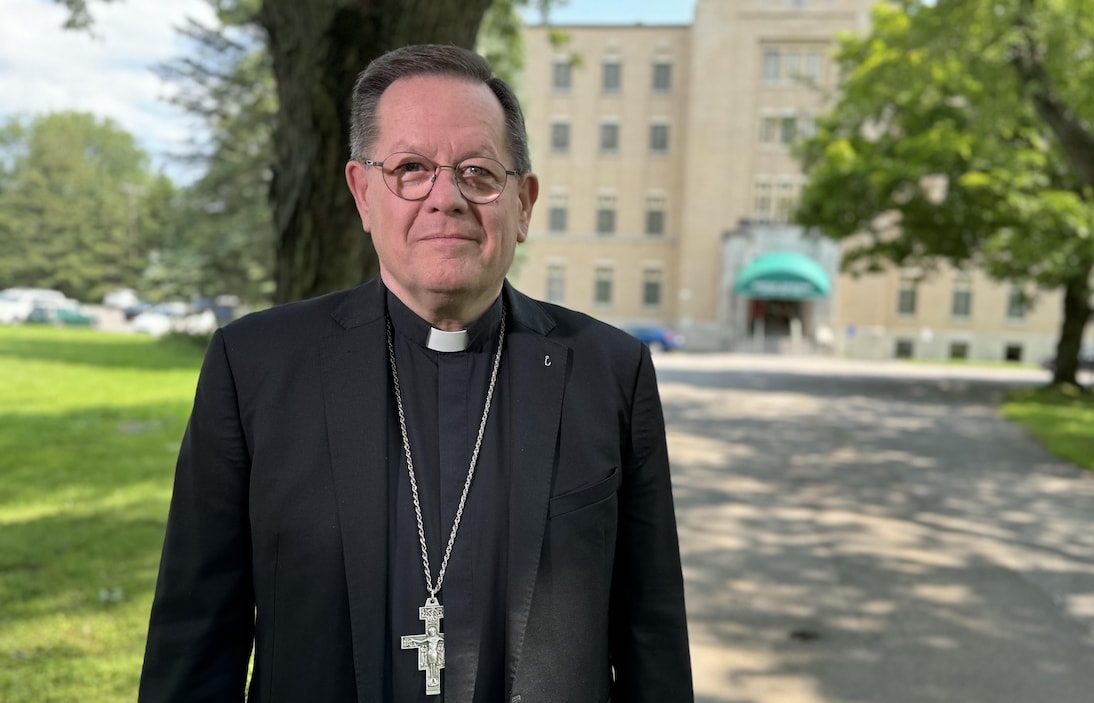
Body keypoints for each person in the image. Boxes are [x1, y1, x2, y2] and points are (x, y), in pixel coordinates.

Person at [138, 44, 693, 703]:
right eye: (410, 169)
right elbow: (196, 643)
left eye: (478, 173)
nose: (446, 198)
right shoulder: (253, 365)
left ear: (523, 202)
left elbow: (652, 640)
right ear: (363, 193)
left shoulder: (611, 371)